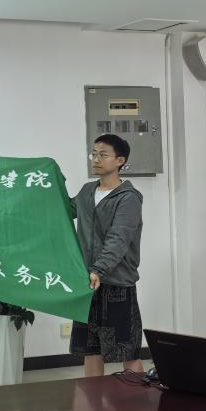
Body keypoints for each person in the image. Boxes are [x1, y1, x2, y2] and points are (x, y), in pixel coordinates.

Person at [69, 134, 144, 377]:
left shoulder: (128, 198)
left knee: (127, 351)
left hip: (116, 284)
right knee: (91, 350)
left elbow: (118, 238)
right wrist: (48, 184)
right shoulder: (87, 191)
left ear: (120, 160)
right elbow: (64, 210)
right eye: (94, 154)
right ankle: (93, 400)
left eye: (103, 155)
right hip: (88, 284)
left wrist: (99, 269)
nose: (96, 159)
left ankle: (138, 399)